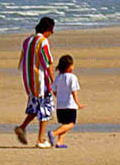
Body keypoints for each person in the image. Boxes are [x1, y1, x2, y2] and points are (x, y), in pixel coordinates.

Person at [14, 17, 55, 148]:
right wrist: (53, 81)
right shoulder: (43, 42)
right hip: (40, 80)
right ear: (47, 30)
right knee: (45, 109)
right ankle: (40, 139)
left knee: (35, 107)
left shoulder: (27, 41)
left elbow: (22, 61)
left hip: (29, 81)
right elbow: (47, 63)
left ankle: (22, 127)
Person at [47, 55, 81, 149]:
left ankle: (60, 142)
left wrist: (58, 96)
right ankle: (53, 133)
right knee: (71, 124)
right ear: (69, 66)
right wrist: (77, 102)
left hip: (60, 106)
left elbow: (53, 89)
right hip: (70, 105)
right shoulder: (72, 77)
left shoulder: (58, 77)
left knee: (64, 124)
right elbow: (74, 91)